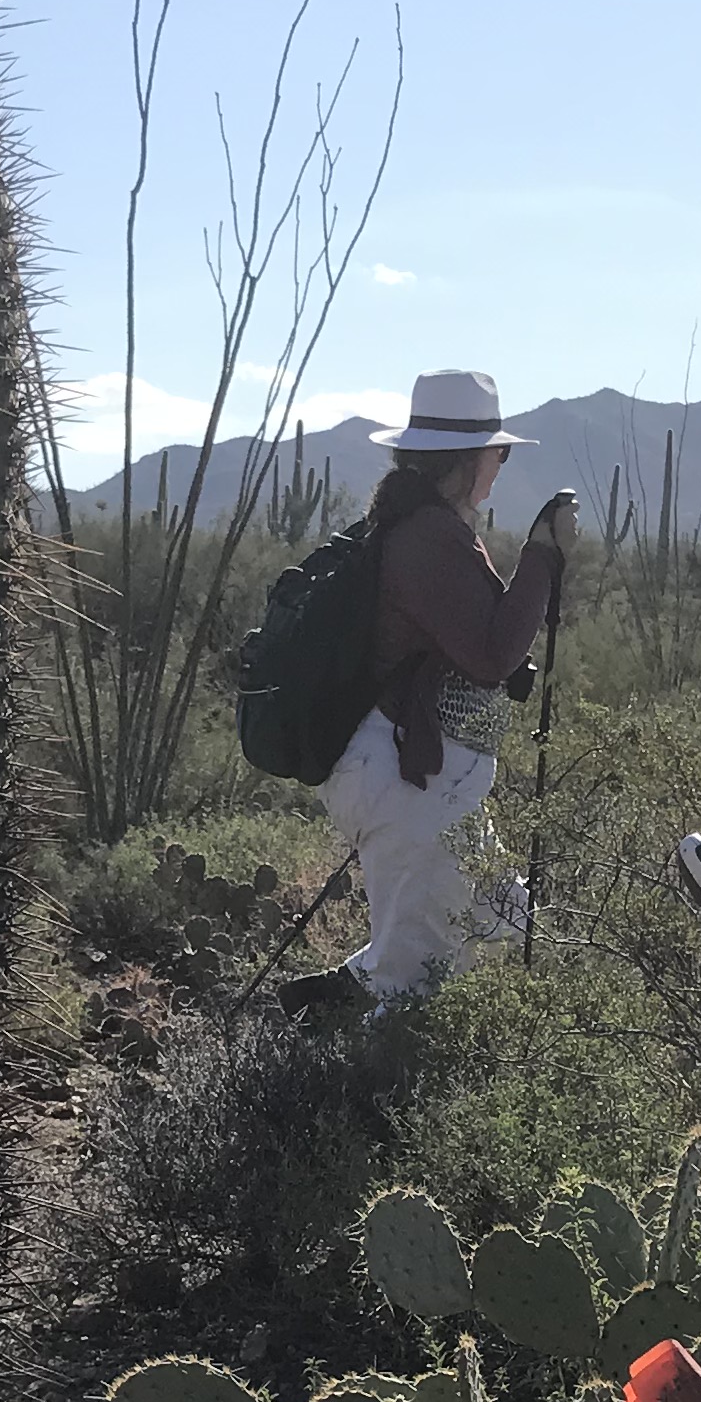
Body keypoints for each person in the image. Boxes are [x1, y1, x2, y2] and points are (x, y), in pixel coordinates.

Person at [286, 371, 578, 1014]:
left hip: (417, 777)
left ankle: (340, 1004)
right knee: (416, 979)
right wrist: (541, 558)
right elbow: (491, 653)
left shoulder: (425, 529)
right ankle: (346, 1076)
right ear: (471, 460)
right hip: (406, 781)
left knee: (500, 925)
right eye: (498, 453)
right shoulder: (428, 537)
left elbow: (466, 639)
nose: (501, 466)